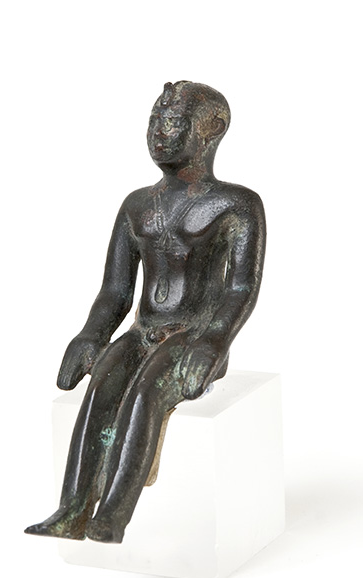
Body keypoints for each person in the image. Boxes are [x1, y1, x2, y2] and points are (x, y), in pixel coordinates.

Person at [25, 81, 266, 543]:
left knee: (146, 392)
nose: (159, 133)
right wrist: (91, 336)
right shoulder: (137, 205)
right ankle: (72, 509)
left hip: (193, 336)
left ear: (212, 129)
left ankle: (112, 516)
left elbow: (240, 290)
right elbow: (115, 290)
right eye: (154, 121)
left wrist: (214, 341)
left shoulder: (236, 204)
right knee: (102, 384)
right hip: (144, 332)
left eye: (172, 123)